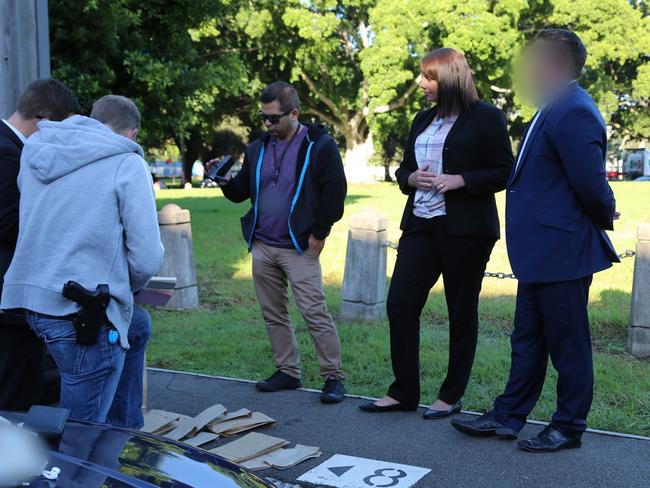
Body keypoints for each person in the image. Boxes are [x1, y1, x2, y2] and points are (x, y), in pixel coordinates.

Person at [451, 29, 619, 452]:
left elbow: (590, 183)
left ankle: (568, 426)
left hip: (562, 251)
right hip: (541, 252)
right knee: (526, 339)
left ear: (557, 65)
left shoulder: (574, 109)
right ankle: (508, 416)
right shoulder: (554, 106)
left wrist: (605, 213)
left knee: (568, 346)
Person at [359, 49, 514, 417]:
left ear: (450, 80)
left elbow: (505, 171)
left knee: (460, 312)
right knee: (400, 304)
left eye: (428, 78)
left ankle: (450, 395)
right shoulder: (422, 119)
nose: (421, 84)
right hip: (420, 225)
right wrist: (411, 178)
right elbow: (404, 172)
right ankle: (403, 392)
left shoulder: (487, 117)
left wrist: (460, 180)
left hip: (466, 231)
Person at [1, 95, 163, 426]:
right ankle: (79, 466)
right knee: (79, 434)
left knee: (138, 325)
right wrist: (128, 285)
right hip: (82, 313)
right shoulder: (127, 162)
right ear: (130, 134)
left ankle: (123, 430)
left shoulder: (37, 149)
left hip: (30, 299)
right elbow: (146, 258)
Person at [212, 82, 348, 403]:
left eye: (274, 118)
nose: (268, 124)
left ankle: (333, 377)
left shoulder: (320, 145)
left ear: (294, 113)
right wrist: (223, 181)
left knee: (314, 312)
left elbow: (334, 192)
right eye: (264, 118)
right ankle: (287, 371)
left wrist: (320, 231)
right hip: (263, 245)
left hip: (299, 246)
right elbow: (240, 192)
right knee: (273, 314)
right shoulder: (258, 148)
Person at [0, 79, 81, 412]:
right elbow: (9, 226)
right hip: (8, 300)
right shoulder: (7, 154)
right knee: (14, 401)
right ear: (44, 120)